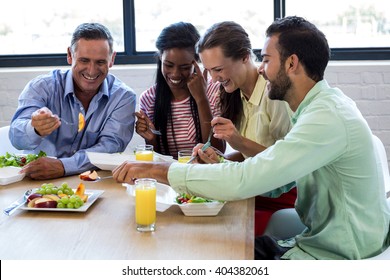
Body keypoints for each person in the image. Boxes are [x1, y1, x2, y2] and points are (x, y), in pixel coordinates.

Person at [112, 16, 390, 260]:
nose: (260, 69)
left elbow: (249, 179)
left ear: (291, 63)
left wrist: (159, 170)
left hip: (338, 254)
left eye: (267, 60)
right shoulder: (315, 110)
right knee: (213, 251)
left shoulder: (326, 118)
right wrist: (220, 165)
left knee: (216, 257)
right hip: (314, 241)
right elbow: (278, 181)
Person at [195, 21, 295, 235]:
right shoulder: (235, 94)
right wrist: (216, 159)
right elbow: (247, 157)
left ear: (244, 56)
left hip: (279, 196)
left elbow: (285, 166)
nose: (214, 78)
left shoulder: (274, 93)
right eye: (209, 71)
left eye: (218, 69)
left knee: (226, 228)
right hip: (253, 188)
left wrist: (239, 141)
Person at [9, 22, 136, 180]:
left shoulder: (123, 97)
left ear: (112, 59)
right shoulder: (42, 87)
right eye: (84, 60)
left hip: (92, 182)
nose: (91, 70)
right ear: (70, 55)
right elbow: (16, 138)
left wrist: (64, 166)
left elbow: (109, 147)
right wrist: (34, 128)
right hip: (37, 182)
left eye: (100, 62)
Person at [134, 22, 223, 159]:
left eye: (185, 67)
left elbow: (217, 153)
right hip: (168, 174)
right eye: (168, 65)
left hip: (205, 173)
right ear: (160, 58)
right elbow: (158, 159)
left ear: (197, 62)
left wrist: (201, 99)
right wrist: (151, 139)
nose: (175, 74)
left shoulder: (214, 91)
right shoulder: (149, 98)